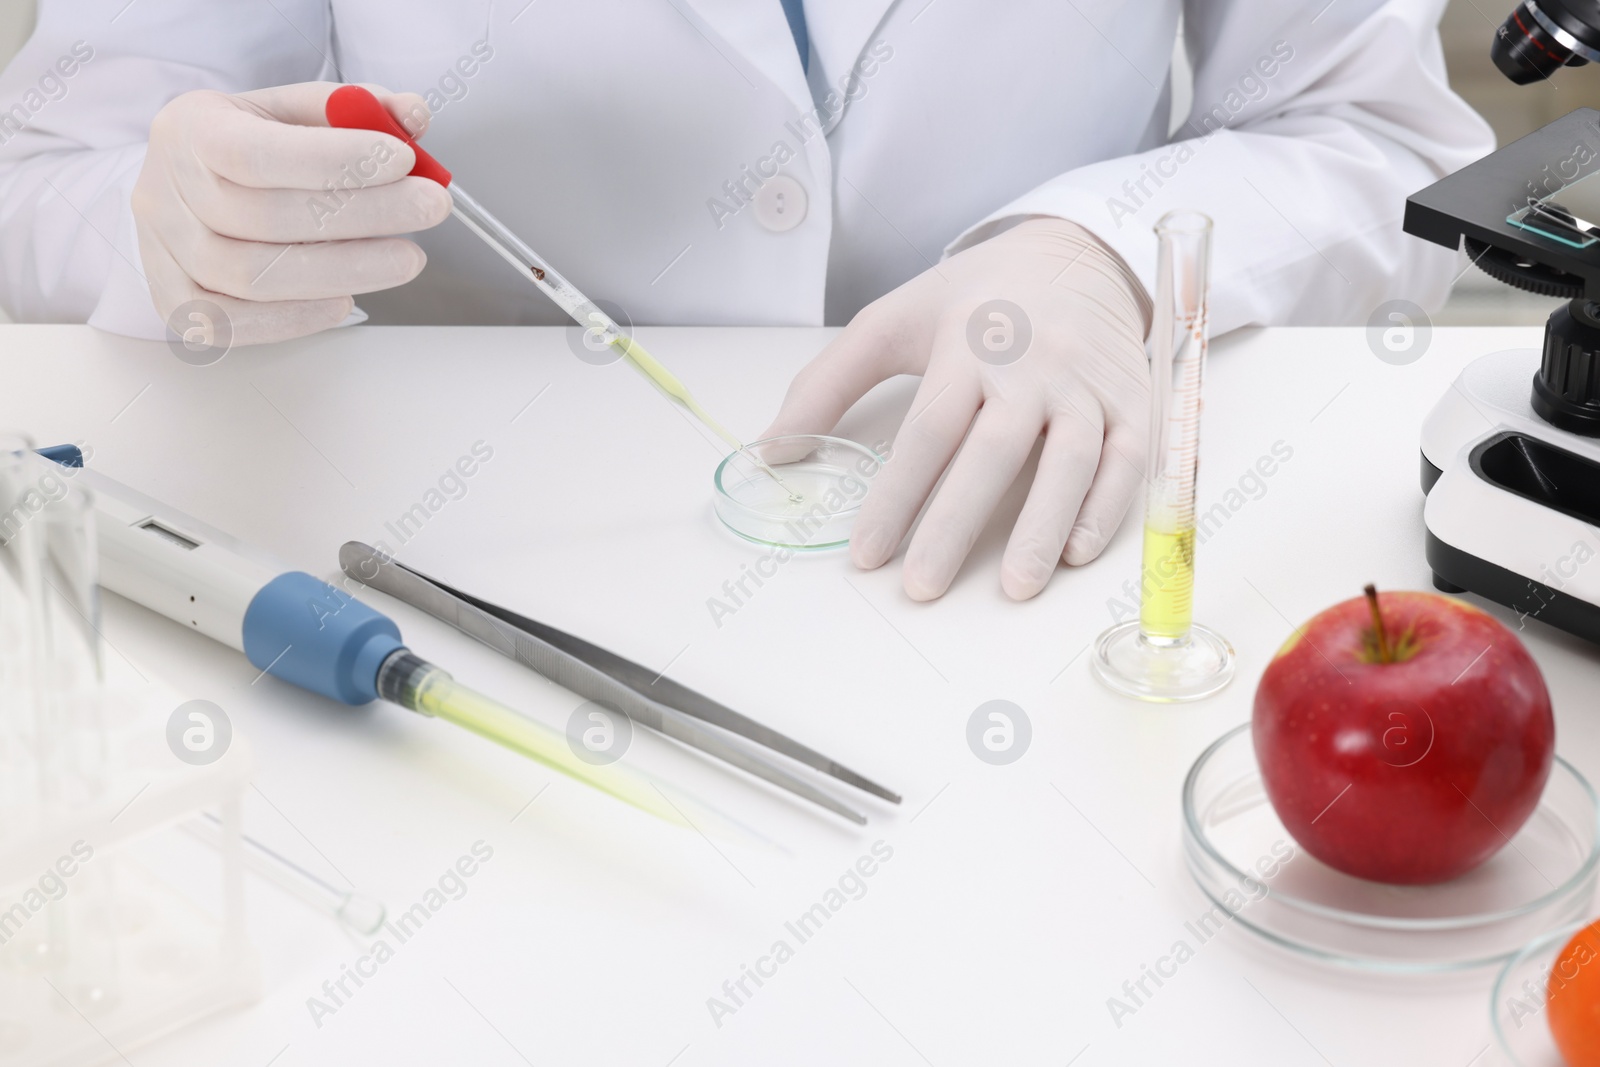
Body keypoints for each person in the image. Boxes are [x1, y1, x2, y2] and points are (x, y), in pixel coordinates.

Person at [0, 0, 1490, 601]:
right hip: (432, 535)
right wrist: (175, 238)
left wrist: (1101, 247)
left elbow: (1380, 142)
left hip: (1025, 533)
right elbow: (53, 173)